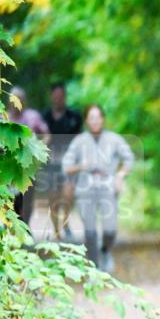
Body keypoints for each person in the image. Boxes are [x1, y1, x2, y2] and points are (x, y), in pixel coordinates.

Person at [62, 104, 134, 273]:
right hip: (85, 189)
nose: (95, 121)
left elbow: (129, 159)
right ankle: (94, 267)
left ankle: (106, 251)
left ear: (103, 119)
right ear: (86, 120)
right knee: (90, 232)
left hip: (107, 187)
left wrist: (120, 176)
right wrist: (81, 166)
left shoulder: (114, 139)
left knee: (110, 229)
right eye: (91, 118)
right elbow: (67, 166)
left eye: (97, 117)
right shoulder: (79, 141)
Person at [42, 82, 83, 241]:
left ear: (64, 97)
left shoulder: (74, 117)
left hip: (69, 164)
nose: (58, 99)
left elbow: (80, 140)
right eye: (55, 96)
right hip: (50, 164)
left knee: (67, 196)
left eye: (61, 96)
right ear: (51, 97)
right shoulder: (44, 118)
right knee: (53, 198)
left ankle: (65, 223)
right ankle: (56, 229)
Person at [6, 86, 50, 225]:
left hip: (29, 166)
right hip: (10, 166)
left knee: (27, 197)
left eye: (20, 99)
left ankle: (25, 224)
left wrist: (39, 148)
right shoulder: (4, 117)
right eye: (13, 99)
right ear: (9, 101)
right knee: (11, 198)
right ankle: (14, 227)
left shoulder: (33, 116)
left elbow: (46, 134)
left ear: (25, 101)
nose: (17, 102)